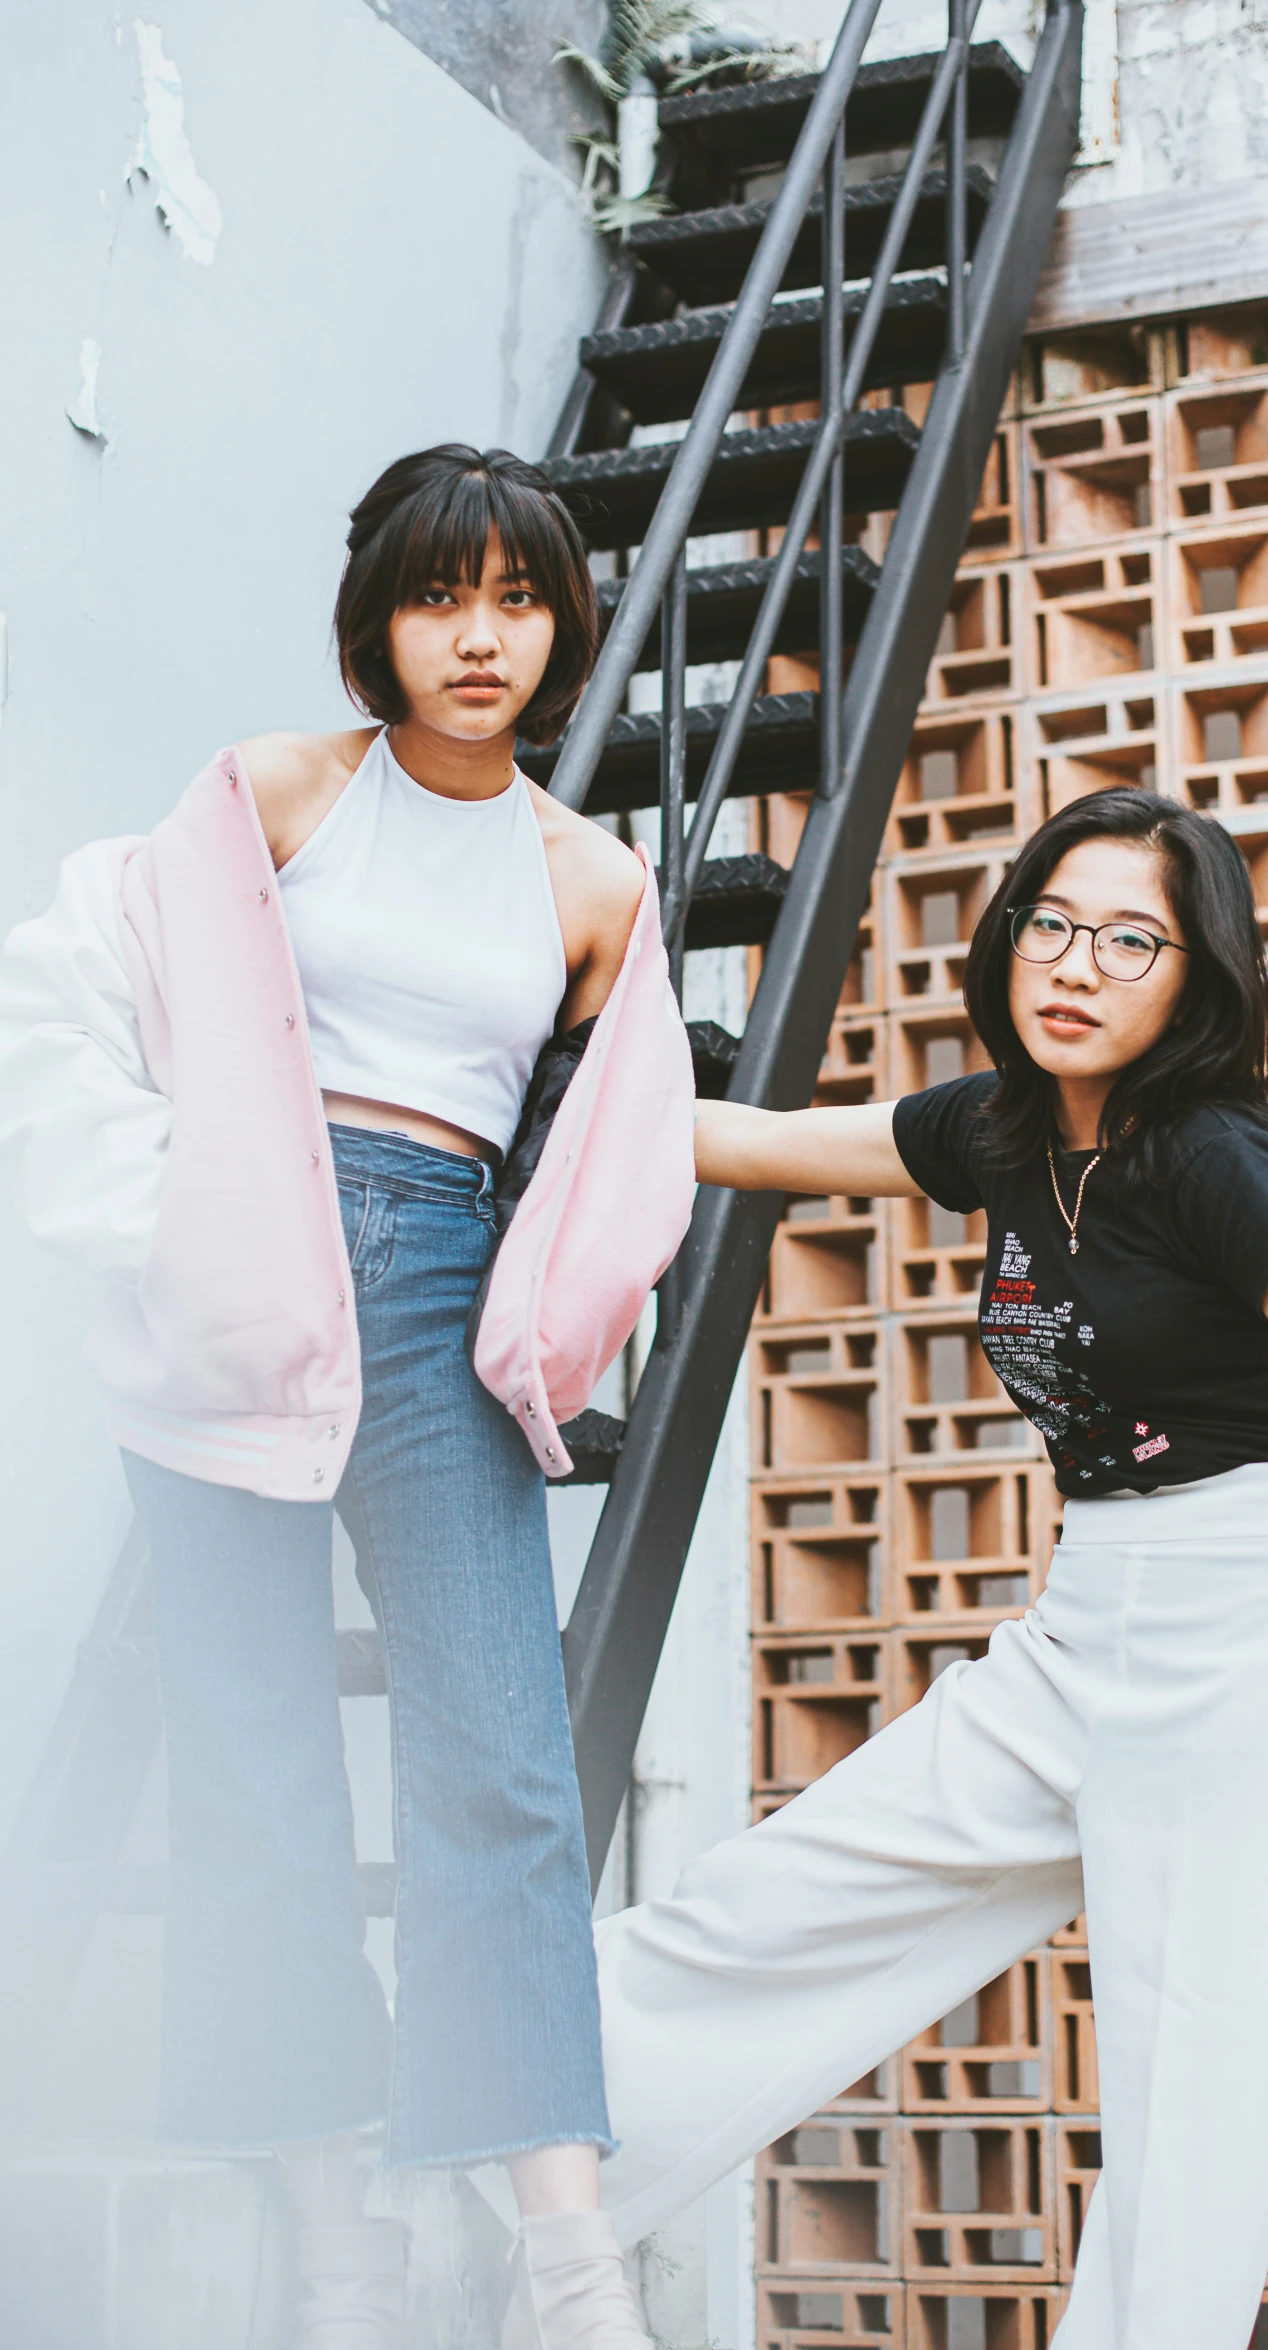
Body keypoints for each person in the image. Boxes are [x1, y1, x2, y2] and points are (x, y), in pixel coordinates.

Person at [590, 787, 1268, 2349]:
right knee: (789, 1899)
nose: (1076, 963)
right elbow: (761, 1139)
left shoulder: (1213, 1154)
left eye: (1132, 940)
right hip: (1095, 1602)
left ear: (1195, 979)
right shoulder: (998, 1128)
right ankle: (518, 2184)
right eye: (1051, 923)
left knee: (1197, 2089)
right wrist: (469, 1105)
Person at [0, 446, 684, 2350]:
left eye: (521, 599)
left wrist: (549, 1325)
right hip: (235, 1273)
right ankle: (335, 2247)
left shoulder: (590, 878)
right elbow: (68, 1000)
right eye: (443, 596)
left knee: (502, 1759)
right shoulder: (276, 793)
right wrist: (168, 1225)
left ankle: (566, 2253)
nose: (482, 638)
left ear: (560, 625)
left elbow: (626, 1148)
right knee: (253, 1758)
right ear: (379, 614)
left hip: (438, 1280)